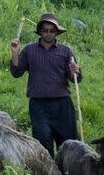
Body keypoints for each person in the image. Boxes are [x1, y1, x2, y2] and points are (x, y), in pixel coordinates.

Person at [9, 12, 82, 155]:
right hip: (39, 106)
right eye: (45, 30)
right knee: (42, 141)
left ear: (57, 32)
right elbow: (16, 72)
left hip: (62, 105)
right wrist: (15, 54)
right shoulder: (30, 50)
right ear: (40, 31)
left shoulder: (66, 51)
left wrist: (76, 71)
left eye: (52, 30)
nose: (48, 33)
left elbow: (76, 79)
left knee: (68, 144)